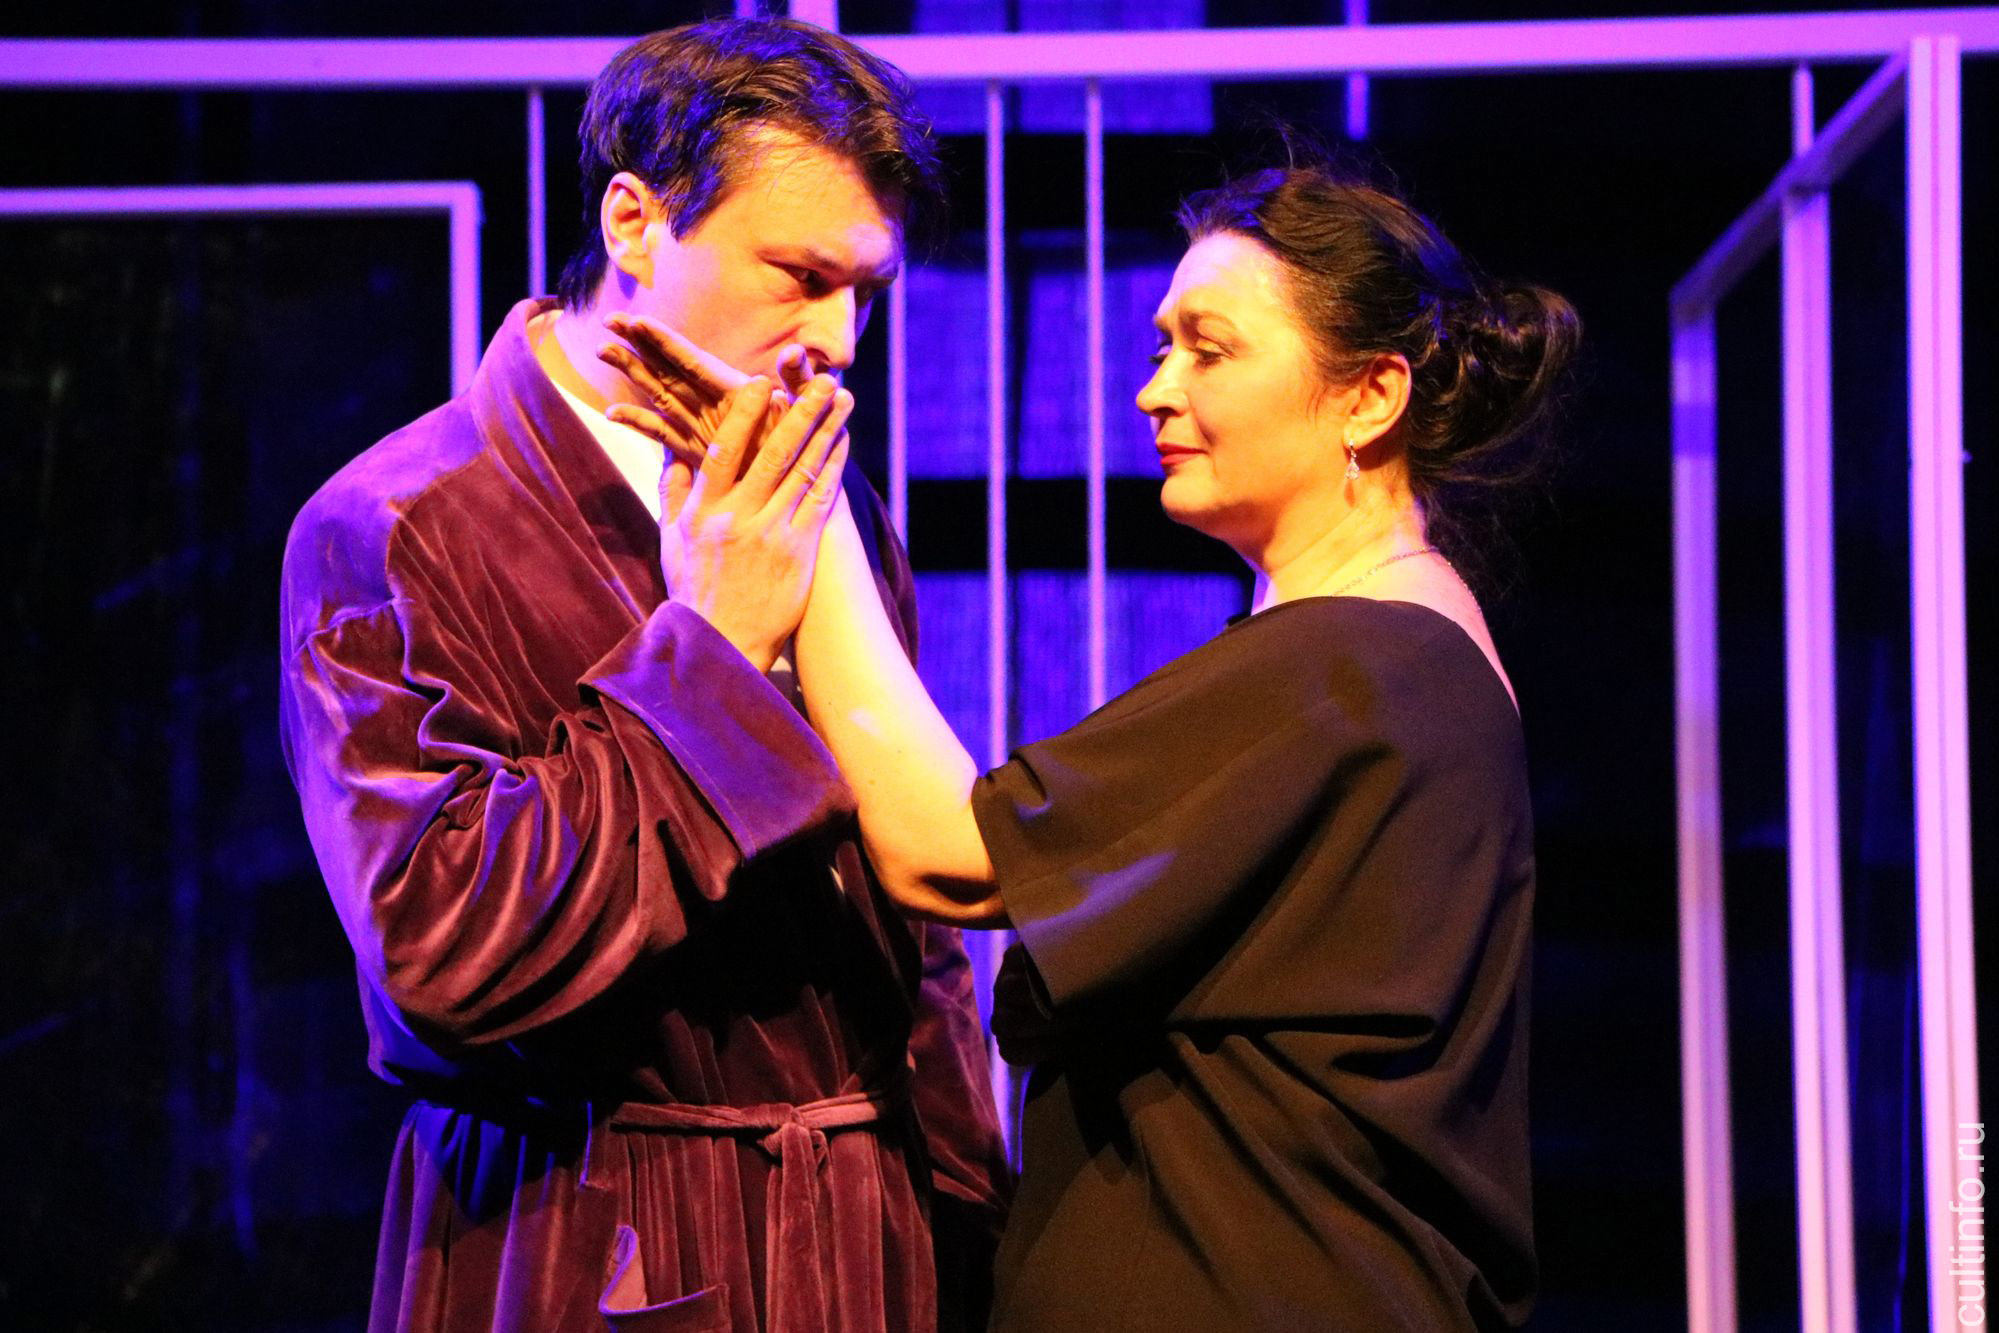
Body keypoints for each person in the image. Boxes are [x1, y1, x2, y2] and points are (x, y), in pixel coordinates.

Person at [629, 158, 1577, 1329]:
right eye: (1160, 347)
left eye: (1208, 350)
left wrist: (800, 512)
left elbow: (949, 855)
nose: (1154, 390)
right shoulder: (1403, 647)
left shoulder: (1349, 664)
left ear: (1370, 396)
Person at [277, 18, 1009, 1332]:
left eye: (865, 292)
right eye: (799, 276)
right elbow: (441, 955)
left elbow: (919, 952)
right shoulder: (399, 522)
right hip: (585, 1230)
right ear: (634, 221)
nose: (839, 338)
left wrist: (974, 1222)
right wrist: (704, 657)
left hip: (862, 1230)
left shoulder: (834, 507)